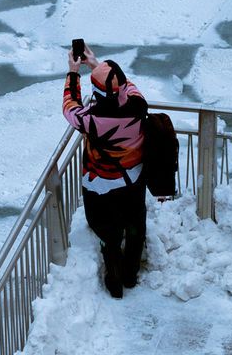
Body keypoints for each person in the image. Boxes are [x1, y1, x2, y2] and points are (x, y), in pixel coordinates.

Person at [62, 45, 147, 298]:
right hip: (132, 179)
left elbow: (70, 107)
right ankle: (130, 274)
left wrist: (74, 72)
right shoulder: (138, 106)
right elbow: (127, 86)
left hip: (101, 185)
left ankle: (114, 278)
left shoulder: (91, 120)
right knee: (135, 226)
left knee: (109, 232)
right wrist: (96, 64)